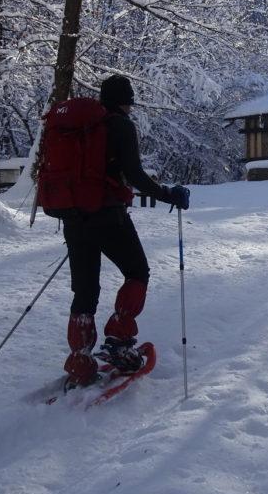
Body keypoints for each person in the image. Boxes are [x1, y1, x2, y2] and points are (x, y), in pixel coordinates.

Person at [62, 74, 190, 387]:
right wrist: (167, 193)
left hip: (73, 217)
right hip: (108, 216)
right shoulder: (119, 125)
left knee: (85, 290)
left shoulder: (77, 127)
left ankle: (80, 360)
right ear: (125, 102)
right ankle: (118, 339)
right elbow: (133, 173)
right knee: (137, 272)